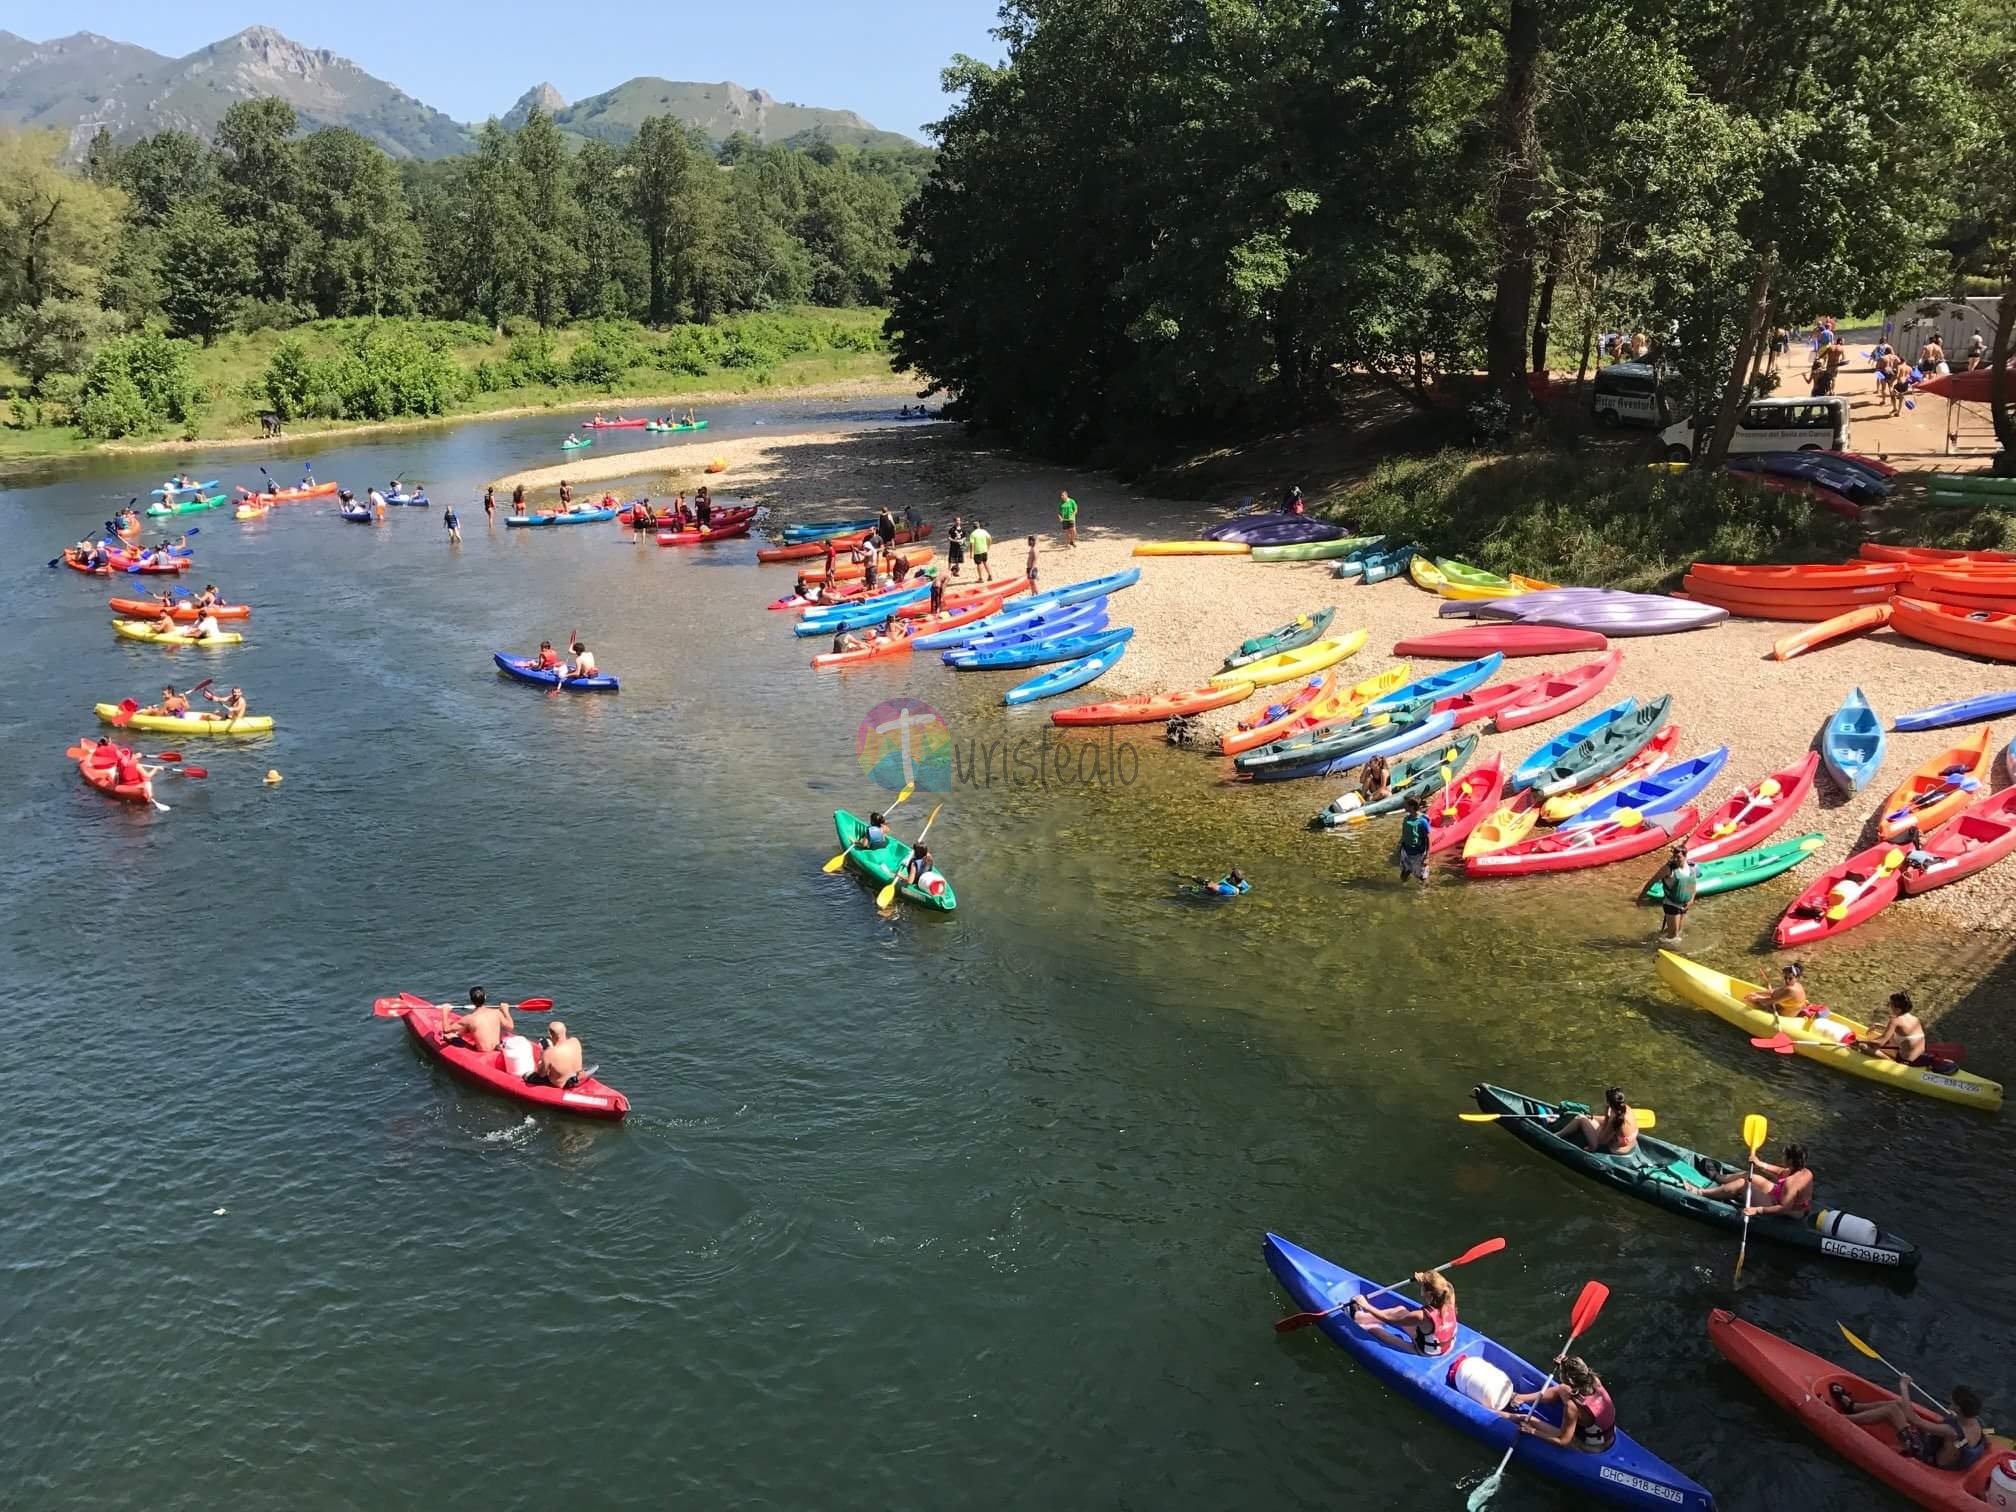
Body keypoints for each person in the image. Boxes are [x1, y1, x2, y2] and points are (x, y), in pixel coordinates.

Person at [1837, 1381, 1988, 1472]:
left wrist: (1904, 1387)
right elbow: (1980, 1434)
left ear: (1959, 1409)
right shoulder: (1976, 1423)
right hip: (1937, 1445)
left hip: (1925, 1456)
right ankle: (1854, 1407)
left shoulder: (1951, 1432)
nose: (1951, 1402)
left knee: (1892, 1411)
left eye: (1953, 1402)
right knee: (1899, 1404)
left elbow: (1915, 1420)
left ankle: (1843, 1419)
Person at [1502, 1356, 1617, 1453]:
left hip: (1590, 1447)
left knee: (1527, 1419)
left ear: (1570, 1381)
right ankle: (1519, 1398)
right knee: (1562, 1389)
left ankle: (1492, 1412)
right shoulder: (1594, 1380)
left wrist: (1531, 1431)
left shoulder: (1572, 1407)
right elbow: (1573, 1376)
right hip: (1609, 1436)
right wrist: (1564, 1361)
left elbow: (1563, 1441)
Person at [1346, 1269, 1458, 1357]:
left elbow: (1388, 1319)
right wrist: (1424, 1280)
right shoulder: (1449, 1296)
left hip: (1425, 1351)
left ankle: (1359, 1318)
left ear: (1428, 1293)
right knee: (1400, 1310)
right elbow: (1445, 1285)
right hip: (1447, 1347)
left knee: (1375, 1330)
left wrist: (1366, 1305)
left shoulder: (1421, 1316)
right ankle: (1360, 1317)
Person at [1701, 1140, 1813, 1217]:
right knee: (1750, 1176)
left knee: (1743, 1184)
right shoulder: (1806, 1172)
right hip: (1780, 1197)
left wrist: (1757, 1210)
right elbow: (1781, 1172)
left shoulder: (1791, 1183)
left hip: (1782, 1210)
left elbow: (1783, 1209)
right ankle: (1718, 1177)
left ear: (1790, 1160)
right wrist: (1759, 1164)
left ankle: (1702, 1192)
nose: (1782, 1157)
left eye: (1784, 1156)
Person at [1644, 842, 1699, 943]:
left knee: (1678, 931)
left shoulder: (1691, 868)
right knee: (1674, 936)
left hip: (1684, 904)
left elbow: (1693, 886)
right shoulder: (1668, 869)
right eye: (1674, 856)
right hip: (1671, 904)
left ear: (1685, 856)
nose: (1676, 859)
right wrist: (1641, 897)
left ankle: (1653, 939)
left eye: (1679, 857)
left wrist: (1691, 900)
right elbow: (1652, 881)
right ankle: (1667, 950)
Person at [1560, 1086, 1639, 1155]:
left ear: (1608, 1102)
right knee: (1590, 1119)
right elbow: (1614, 1124)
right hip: (1631, 1143)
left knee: (1581, 1118)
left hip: (1617, 1148)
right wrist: (1592, 1117)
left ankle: (1557, 1135)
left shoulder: (1614, 1120)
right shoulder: (1626, 1108)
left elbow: (1602, 1141)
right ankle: (1587, 1120)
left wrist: (1606, 1117)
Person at [1859, 992, 1927, 1064]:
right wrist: (1878, 1026)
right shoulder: (1915, 1019)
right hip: (1919, 1056)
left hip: (1906, 1061)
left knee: (1863, 1046)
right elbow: (1904, 1032)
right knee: (1890, 1039)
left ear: (1898, 1009)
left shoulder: (1895, 1021)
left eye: (1890, 1005)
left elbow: (1880, 1043)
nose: (1889, 1007)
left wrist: (1858, 1041)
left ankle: (1891, 1061)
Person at [440, 987, 515, 1053]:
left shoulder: (469, 1018)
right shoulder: (496, 1012)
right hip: (496, 1047)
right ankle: (458, 1034)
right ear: (485, 997)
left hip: (483, 1052)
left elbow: (446, 1029)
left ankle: (455, 1035)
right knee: (470, 1027)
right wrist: (505, 1011)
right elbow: (510, 1026)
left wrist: (445, 1011)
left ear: (471, 1000)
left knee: (454, 1032)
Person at [526, 1021, 585, 1089]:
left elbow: (541, 1074)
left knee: (527, 1076)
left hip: (562, 1085)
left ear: (550, 1035)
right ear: (565, 1030)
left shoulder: (549, 1053)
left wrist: (542, 1056)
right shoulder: (575, 1041)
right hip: (576, 1078)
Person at [1397, 796, 1431, 883]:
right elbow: (1404, 835)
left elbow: (1429, 839)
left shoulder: (1422, 821)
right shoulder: (1406, 819)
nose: (1404, 806)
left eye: (1405, 804)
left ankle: (1424, 893)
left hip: (1418, 854)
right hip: (1406, 852)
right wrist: (1400, 848)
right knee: (1404, 872)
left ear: (1411, 807)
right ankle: (1401, 889)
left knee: (1422, 877)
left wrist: (1427, 857)